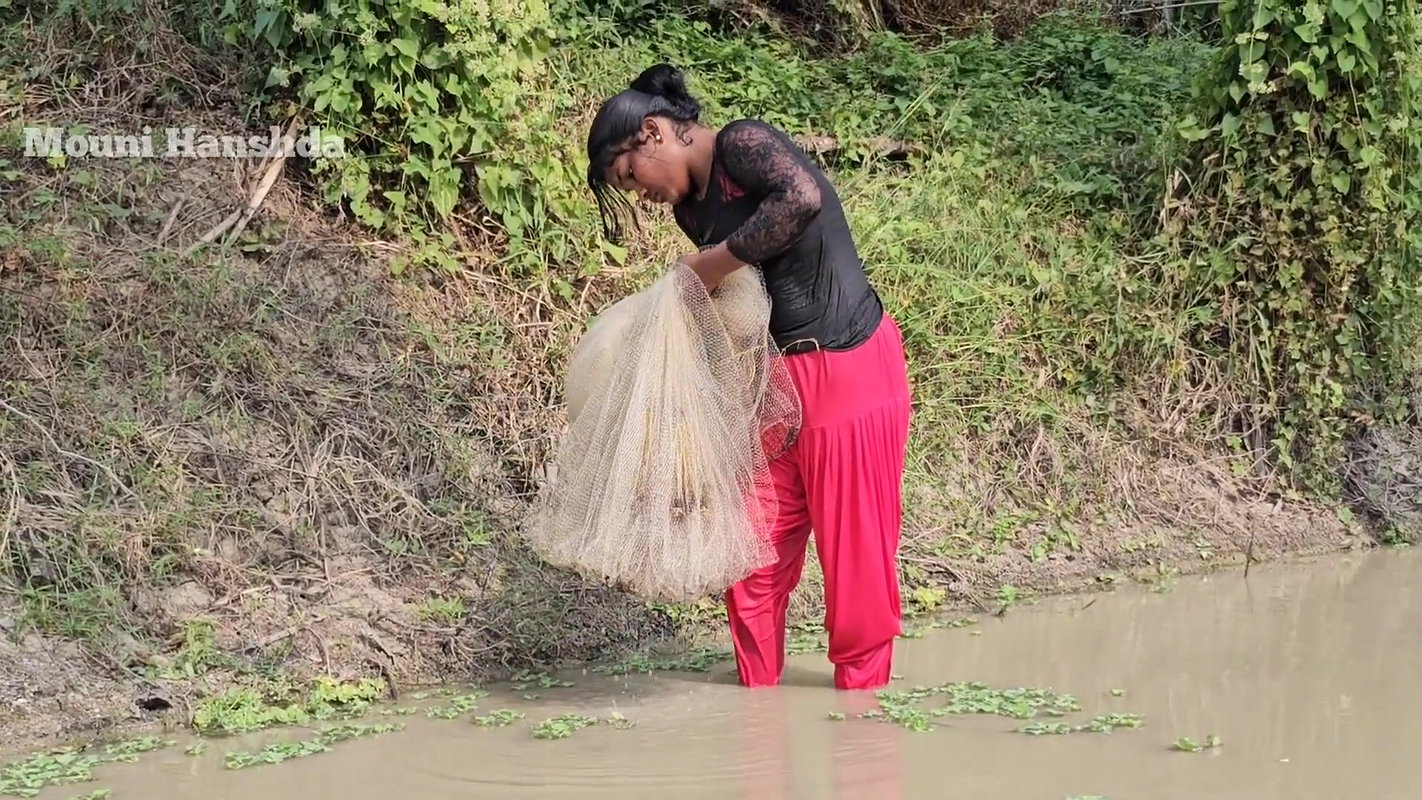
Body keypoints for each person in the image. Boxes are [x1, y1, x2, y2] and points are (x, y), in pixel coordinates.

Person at [583, 63, 913, 691]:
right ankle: (758, 712)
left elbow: (801, 199)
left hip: (849, 369)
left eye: (629, 175)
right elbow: (736, 312)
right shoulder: (692, 212)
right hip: (774, 390)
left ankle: (863, 723)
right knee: (750, 558)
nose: (637, 193)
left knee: (856, 563)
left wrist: (711, 264)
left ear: (653, 133)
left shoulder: (742, 144)